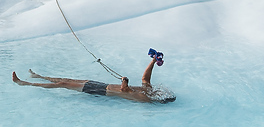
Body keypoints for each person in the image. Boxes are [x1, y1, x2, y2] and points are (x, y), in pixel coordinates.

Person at [12, 50, 175, 103]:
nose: (159, 92)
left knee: (63, 83)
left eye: (161, 94)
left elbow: (125, 90)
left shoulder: (145, 98)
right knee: (67, 79)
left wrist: (125, 81)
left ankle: (24, 83)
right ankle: (39, 76)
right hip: (101, 84)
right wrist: (153, 62)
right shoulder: (148, 90)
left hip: (99, 90)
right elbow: (145, 79)